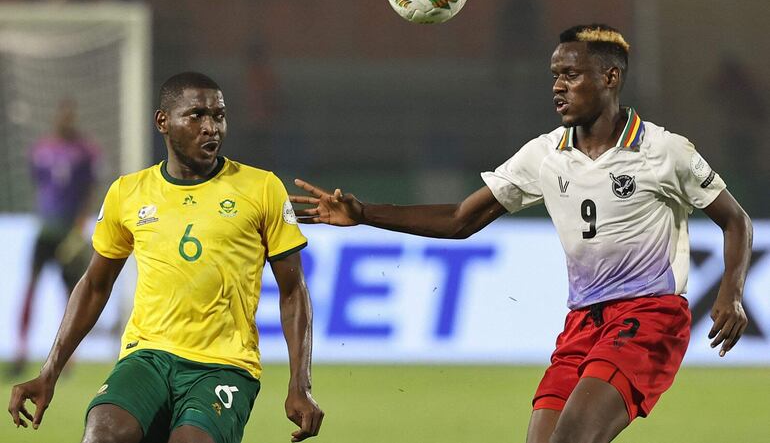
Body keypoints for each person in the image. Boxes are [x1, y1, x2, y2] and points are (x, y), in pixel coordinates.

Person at [289, 25, 752, 443]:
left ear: (610, 78)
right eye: (554, 76)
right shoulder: (544, 155)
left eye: (571, 75)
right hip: (583, 322)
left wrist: (730, 293)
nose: (557, 86)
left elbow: (736, 221)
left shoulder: (664, 151)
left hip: (649, 317)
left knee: (571, 438)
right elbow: (461, 219)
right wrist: (365, 213)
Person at [8, 72, 324, 443]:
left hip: (224, 366)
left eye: (218, 116)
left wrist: (300, 384)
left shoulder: (261, 188)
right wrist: (49, 371)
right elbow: (95, 285)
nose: (211, 127)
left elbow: (293, 290)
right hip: (147, 358)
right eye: (196, 115)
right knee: (102, 434)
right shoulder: (128, 192)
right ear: (163, 121)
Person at [10, 99, 98, 377]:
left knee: (72, 295)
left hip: (69, 233)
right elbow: (39, 184)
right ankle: (21, 351)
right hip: (46, 230)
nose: (66, 120)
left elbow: (90, 190)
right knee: (31, 288)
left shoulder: (85, 152)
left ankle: (68, 357)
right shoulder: (41, 149)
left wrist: (80, 226)